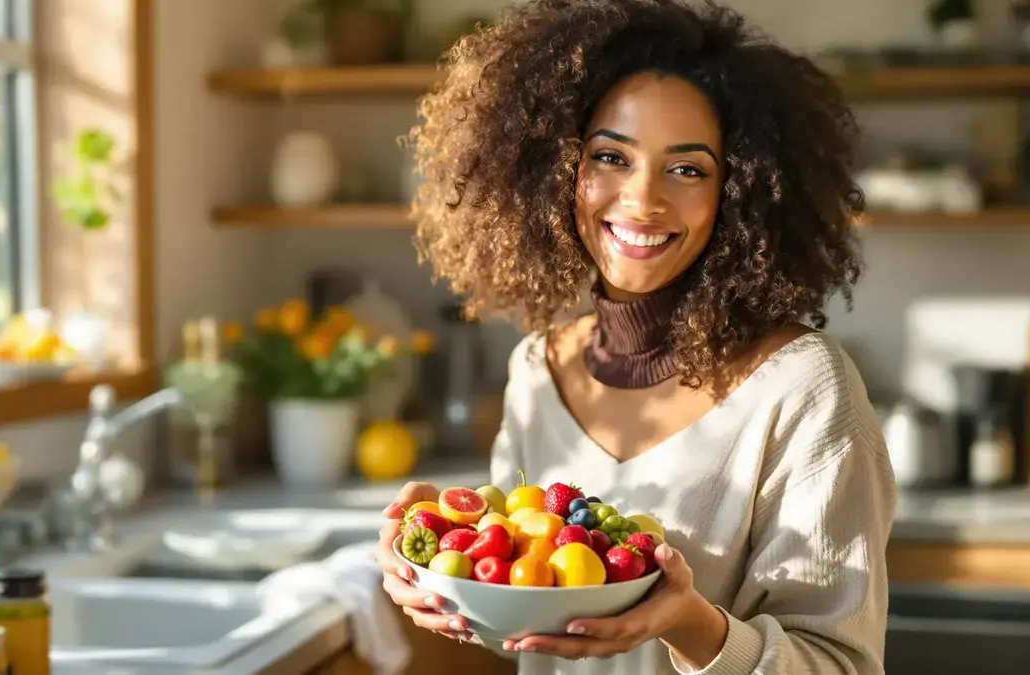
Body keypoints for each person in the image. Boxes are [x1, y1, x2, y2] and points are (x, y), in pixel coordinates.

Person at [376, 0, 897, 673]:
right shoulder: (538, 369)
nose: (642, 199)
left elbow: (840, 664)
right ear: (552, 169)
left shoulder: (803, 387)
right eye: (610, 157)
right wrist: (440, 571)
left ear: (741, 191)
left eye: (687, 169)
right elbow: (526, 616)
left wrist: (688, 623)